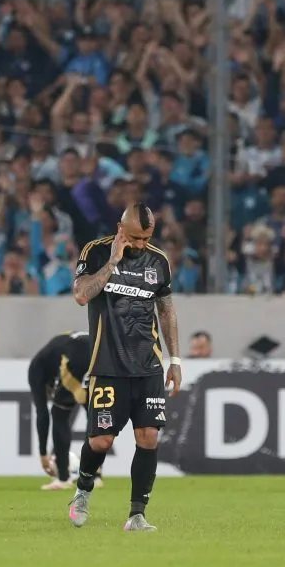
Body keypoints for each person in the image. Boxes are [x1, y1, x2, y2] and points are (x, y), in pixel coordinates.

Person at [68, 203, 182, 532]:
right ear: (120, 228)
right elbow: (81, 295)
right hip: (108, 365)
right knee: (101, 441)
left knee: (148, 438)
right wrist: (113, 263)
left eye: (146, 238)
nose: (141, 245)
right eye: (134, 237)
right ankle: (83, 490)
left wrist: (174, 360)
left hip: (148, 366)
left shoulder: (158, 261)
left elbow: (167, 311)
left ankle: (137, 515)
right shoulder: (96, 251)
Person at [27, 331, 103, 491]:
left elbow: (42, 415)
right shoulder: (53, 352)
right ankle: (95, 475)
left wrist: (43, 455)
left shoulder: (36, 369)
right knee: (95, 413)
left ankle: (63, 478)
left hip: (78, 355)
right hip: (103, 350)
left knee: (59, 412)